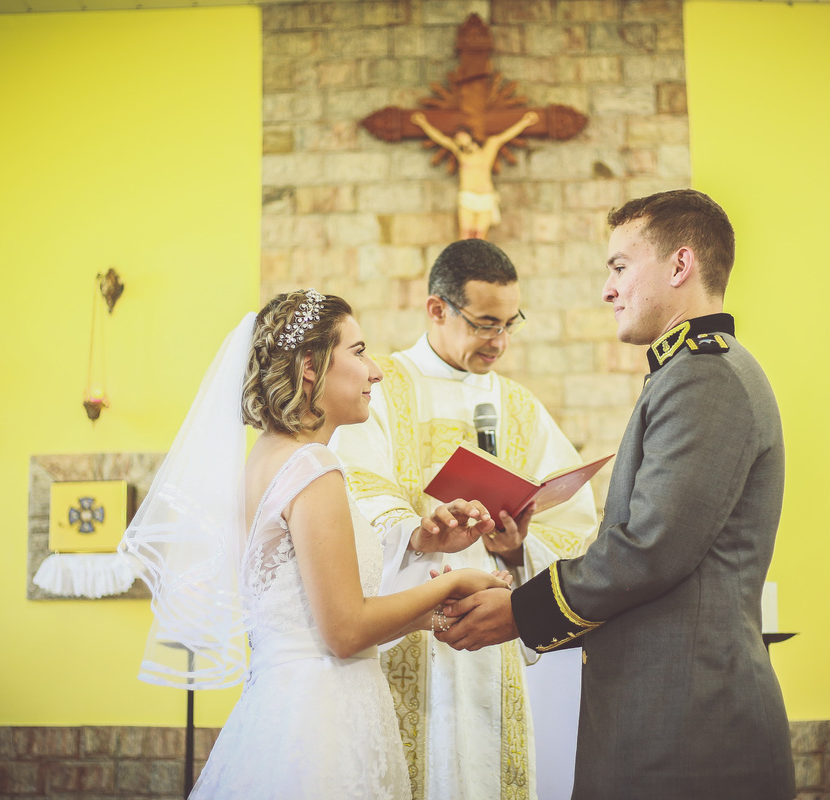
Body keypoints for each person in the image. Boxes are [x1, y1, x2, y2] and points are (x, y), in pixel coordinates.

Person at [435, 191, 797, 799]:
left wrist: (520, 613)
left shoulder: (705, 377)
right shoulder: (690, 372)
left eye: (620, 266)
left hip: (687, 724)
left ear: (680, 266)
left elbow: (649, 550)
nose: (607, 288)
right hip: (666, 712)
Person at [120, 290, 511, 799]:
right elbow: (344, 631)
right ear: (311, 366)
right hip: (324, 717)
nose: (376, 371)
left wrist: (427, 590)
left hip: (284, 707)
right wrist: (454, 582)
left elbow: (310, 615)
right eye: (359, 351)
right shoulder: (313, 467)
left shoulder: (267, 459)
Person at [332, 239, 600, 800]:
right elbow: (354, 490)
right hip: (408, 635)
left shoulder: (521, 407)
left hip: (490, 641)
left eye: (509, 323)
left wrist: (515, 547)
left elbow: (575, 525)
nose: (499, 341)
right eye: (484, 324)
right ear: (438, 310)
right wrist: (418, 531)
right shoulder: (378, 389)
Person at [409, 110, 539, 240]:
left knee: (480, 235)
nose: (460, 140)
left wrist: (524, 122)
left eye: (462, 136)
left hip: (486, 196)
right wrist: (423, 123)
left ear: (469, 135)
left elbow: (506, 136)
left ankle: (479, 260)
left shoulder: (489, 147)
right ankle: (462, 260)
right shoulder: (461, 153)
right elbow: (439, 138)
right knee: (465, 234)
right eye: (457, 138)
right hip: (467, 196)